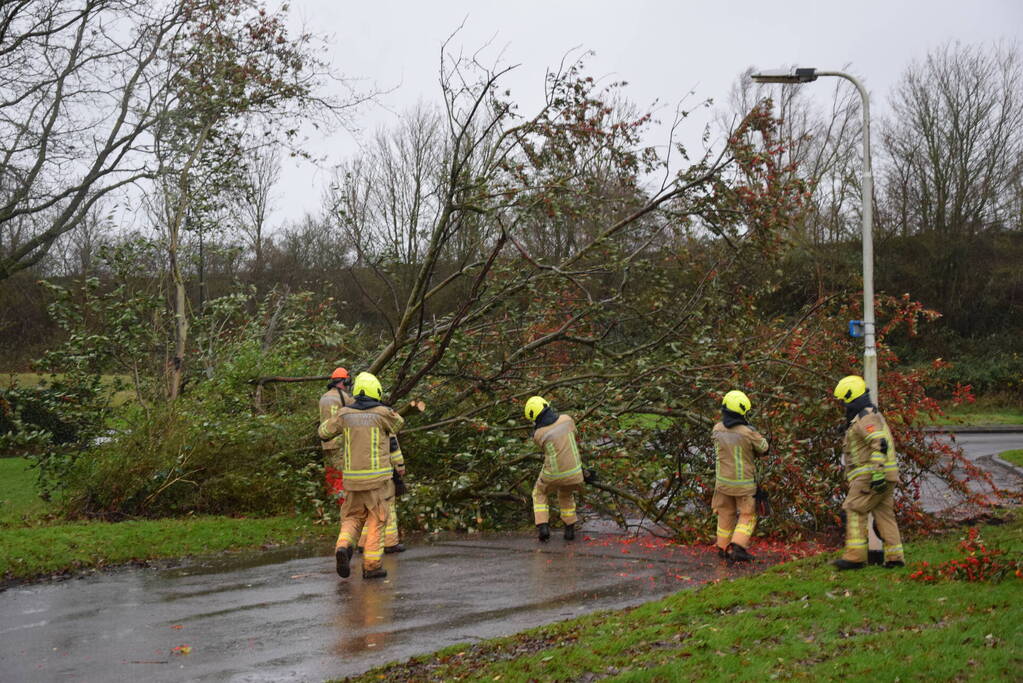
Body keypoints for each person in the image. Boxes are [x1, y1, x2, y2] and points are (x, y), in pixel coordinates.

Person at [318, 372, 404, 579]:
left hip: (352, 481)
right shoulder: (383, 413)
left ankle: (343, 546)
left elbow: (323, 432)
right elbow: (398, 424)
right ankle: (372, 566)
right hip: (377, 482)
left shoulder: (345, 414)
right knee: (377, 520)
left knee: (352, 518)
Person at [832, 375, 903, 570]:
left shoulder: (866, 417)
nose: (844, 405)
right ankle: (895, 558)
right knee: (884, 515)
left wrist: (877, 473)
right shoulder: (867, 415)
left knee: (853, 509)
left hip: (871, 476)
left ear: (851, 396)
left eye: (844, 401)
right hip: (885, 476)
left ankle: (854, 558)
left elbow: (879, 443)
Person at [711, 390, 769, 563]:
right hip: (744, 485)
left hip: (722, 483)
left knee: (725, 514)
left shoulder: (717, 429)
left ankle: (722, 548)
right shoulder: (747, 432)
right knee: (747, 515)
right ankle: (738, 547)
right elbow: (764, 448)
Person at [525, 396, 584, 542]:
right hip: (575, 473)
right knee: (566, 494)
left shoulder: (538, 435)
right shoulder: (567, 420)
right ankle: (569, 529)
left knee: (539, 492)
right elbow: (574, 435)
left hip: (553, 474)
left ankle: (543, 526)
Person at [319, 367, 354, 506]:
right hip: (339, 443)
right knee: (341, 474)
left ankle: (332, 501)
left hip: (325, 441)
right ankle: (342, 504)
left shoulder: (325, 397)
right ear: (344, 381)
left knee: (330, 473)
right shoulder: (345, 398)